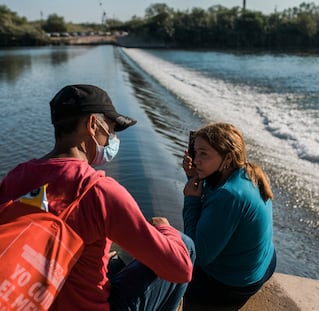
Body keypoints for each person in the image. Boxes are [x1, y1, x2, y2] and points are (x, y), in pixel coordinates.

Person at [0, 84, 195, 311]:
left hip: (28, 298)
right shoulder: (97, 190)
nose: (111, 140)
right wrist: (165, 229)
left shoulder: (16, 176)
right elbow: (179, 269)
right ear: (92, 125)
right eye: (110, 131)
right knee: (185, 246)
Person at [182, 122, 277, 309]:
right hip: (263, 262)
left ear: (227, 158)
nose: (196, 159)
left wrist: (191, 201)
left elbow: (199, 255)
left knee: (180, 267)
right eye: (195, 152)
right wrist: (196, 177)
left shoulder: (229, 195)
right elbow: (214, 206)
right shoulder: (245, 172)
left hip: (234, 282)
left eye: (204, 153)